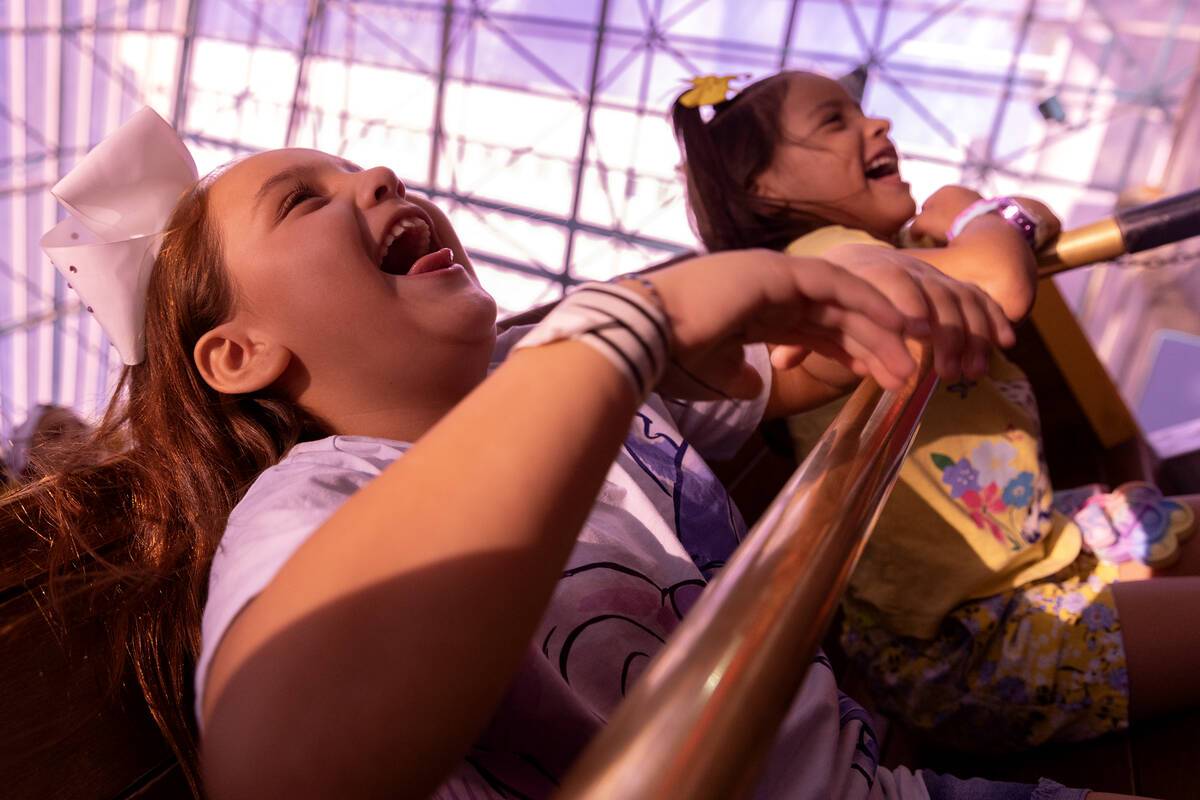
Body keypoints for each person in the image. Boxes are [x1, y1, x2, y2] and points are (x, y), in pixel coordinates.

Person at [4, 107, 1139, 800]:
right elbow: (285, 757)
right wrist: (625, 322)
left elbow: (823, 362)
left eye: (363, 170)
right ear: (239, 352)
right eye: (307, 199)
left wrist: (883, 279)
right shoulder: (317, 500)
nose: (380, 179)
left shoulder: (609, 412)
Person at [672, 69, 1200, 752]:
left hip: (1029, 562)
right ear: (762, 189)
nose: (878, 124)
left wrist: (987, 215)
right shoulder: (828, 265)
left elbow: (1038, 220)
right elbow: (1001, 279)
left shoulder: (896, 257)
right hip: (981, 639)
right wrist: (974, 211)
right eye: (834, 121)